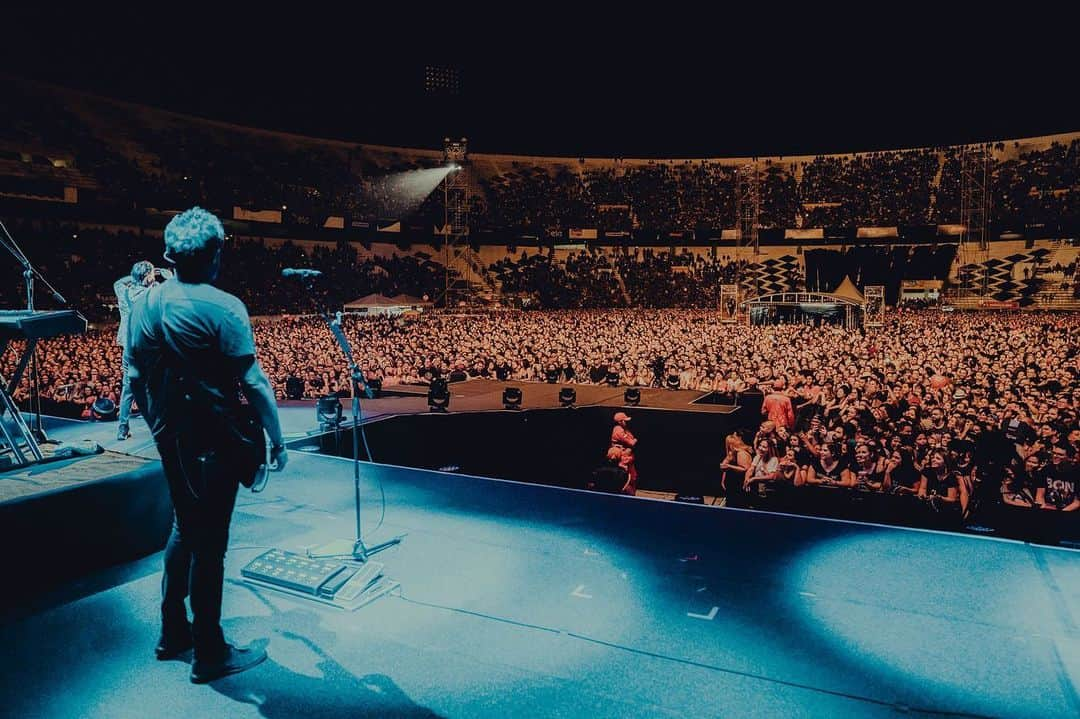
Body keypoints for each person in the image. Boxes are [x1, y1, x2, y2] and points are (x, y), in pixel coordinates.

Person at [127, 207, 288, 684]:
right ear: (215, 256)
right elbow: (253, 383)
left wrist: (157, 423)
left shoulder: (143, 304)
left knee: (184, 526)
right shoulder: (225, 307)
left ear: (169, 257)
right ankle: (209, 650)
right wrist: (277, 440)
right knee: (210, 545)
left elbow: (135, 376)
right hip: (215, 441)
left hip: (171, 437)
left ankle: (172, 630)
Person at [114, 260, 172, 440]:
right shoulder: (153, 293)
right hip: (148, 347)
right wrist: (165, 276)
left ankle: (122, 429)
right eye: (151, 274)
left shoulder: (124, 292)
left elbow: (118, 282)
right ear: (148, 276)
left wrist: (136, 276)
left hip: (129, 347)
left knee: (128, 389)